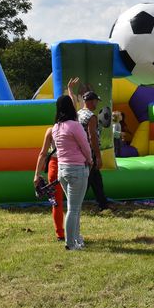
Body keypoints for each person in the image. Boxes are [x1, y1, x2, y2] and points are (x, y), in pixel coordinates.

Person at [51, 94, 93, 250]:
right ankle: (70, 243)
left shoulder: (55, 127)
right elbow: (85, 145)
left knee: (74, 207)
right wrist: (90, 160)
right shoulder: (75, 126)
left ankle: (76, 238)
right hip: (77, 169)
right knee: (73, 209)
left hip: (62, 170)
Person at [72, 81, 111, 211]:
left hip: (80, 152)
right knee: (90, 180)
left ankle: (103, 204)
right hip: (90, 153)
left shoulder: (79, 113)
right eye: (96, 101)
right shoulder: (91, 116)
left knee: (95, 179)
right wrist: (98, 157)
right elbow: (92, 137)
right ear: (91, 101)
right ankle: (77, 205)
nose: (96, 104)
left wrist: (70, 90)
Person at [33, 128, 65, 241]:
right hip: (71, 164)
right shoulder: (75, 127)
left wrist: (37, 175)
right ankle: (74, 233)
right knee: (74, 203)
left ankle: (60, 234)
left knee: (56, 202)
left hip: (54, 165)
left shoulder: (51, 131)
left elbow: (43, 153)